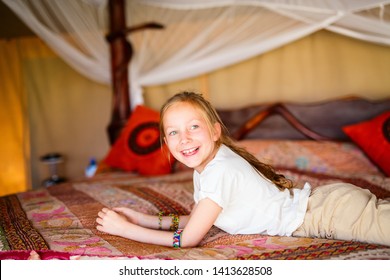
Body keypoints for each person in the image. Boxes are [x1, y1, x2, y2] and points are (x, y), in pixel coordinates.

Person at [96, 91, 390, 248]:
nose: (183, 138)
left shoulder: (218, 171)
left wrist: (126, 230)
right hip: (325, 204)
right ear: (164, 142)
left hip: (328, 216)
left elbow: (187, 240)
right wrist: (144, 220)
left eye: (193, 127)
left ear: (214, 132)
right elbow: (200, 220)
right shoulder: (207, 167)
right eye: (173, 132)